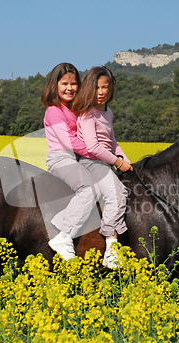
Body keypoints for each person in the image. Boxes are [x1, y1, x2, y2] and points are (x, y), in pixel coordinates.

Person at [72, 66, 133, 268]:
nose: (101, 92)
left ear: (111, 88)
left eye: (105, 87)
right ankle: (111, 248)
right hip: (91, 162)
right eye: (97, 87)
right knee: (117, 193)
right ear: (90, 88)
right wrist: (117, 162)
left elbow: (112, 142)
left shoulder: (108, 113)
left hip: (104, 162)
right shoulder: (88, 113)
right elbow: (93, 147)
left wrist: (125, 158)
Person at [42, 62, 99, 261]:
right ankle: (63, 235)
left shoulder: (76, 110)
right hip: (61, 159)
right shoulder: (53, 111)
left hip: (80, 160)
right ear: (54, 85)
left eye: (74, 83)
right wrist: (96, 152)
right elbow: (70, 142)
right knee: (89, 189)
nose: (70, 88)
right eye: (64, 83)